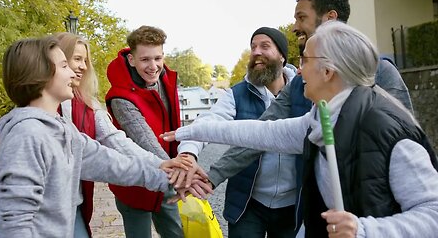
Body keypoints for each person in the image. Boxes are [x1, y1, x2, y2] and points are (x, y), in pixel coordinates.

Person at [163, 20, 438, 238]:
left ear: (328, 72)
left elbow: (433, 213)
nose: (300, 70)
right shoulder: (322, 118)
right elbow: (259, 133)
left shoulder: (383, 127)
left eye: (305, 60)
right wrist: (188, 133)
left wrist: (364, 230)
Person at [0, 36, 192, 238]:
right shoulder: (27, 135)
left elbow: (110, 162)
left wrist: (167, 176)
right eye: (64, 65)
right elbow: (15, 223)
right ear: (41, 74)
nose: (76, 71)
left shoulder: (62, 130)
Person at [174, 27, 296, 238]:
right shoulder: (236, 94)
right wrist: (187, 154)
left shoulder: (302, 91)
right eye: (253, 47)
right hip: (248, 203)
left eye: (265, 46)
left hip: (293, 204)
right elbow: (209, 122)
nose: (256, 51)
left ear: (282, 56)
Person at [106, 25, 205, 238]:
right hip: (134, 183)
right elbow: (146, 141)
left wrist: (182, 163)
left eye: (157, 58)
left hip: (166, 180)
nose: (153, 66)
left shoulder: (166, 80)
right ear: (132, 60)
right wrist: (183, 177)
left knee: (175, 234)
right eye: (145, 60)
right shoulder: (121, 97)